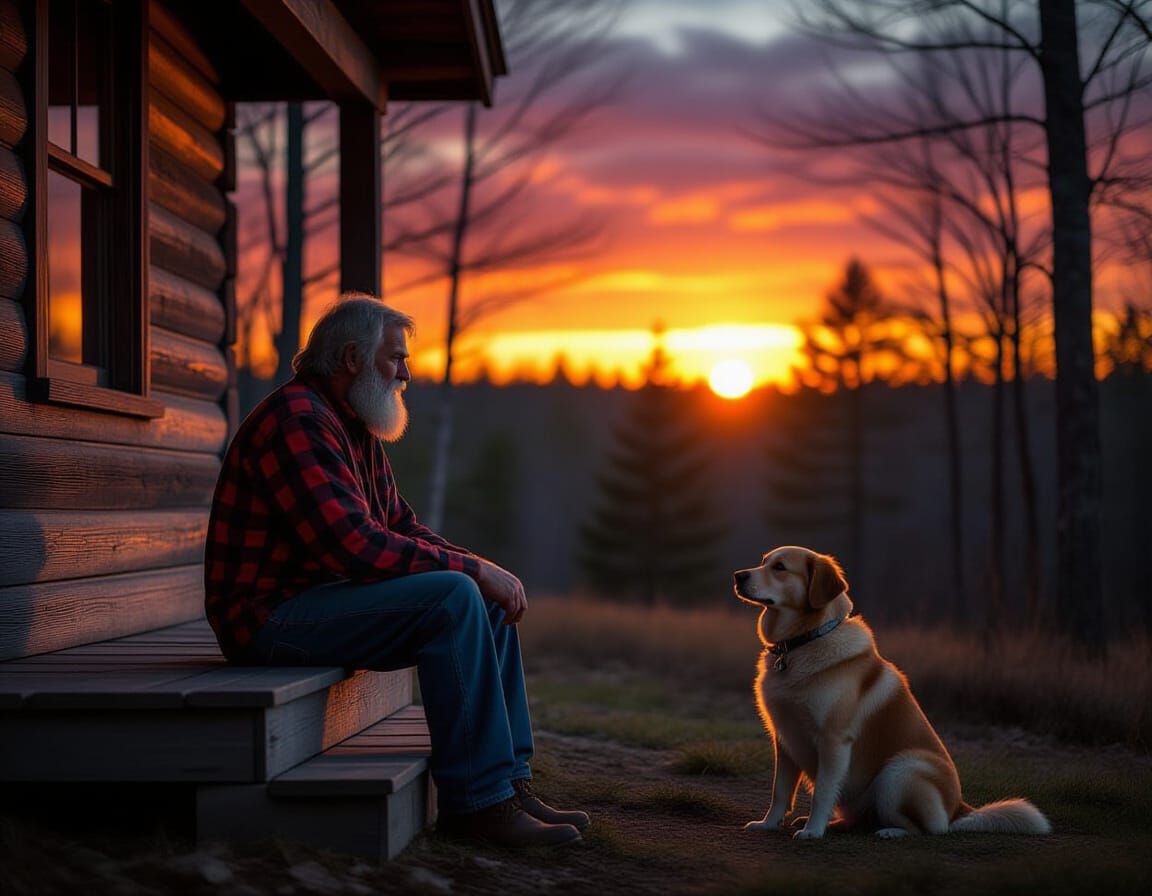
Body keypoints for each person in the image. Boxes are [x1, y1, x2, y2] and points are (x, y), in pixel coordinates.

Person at [204, 293, 588, 848]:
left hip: (313, 603)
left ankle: (507, 783)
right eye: (396, 358)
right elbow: (354, 547)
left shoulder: (348, 423)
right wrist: (471, 572)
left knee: (477, 595)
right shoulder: (298, 421)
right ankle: (478, 806)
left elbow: (400, 524)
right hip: (266, 620)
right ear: (352, 357)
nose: (406, 373)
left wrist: (482, 569)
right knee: (455, 595)